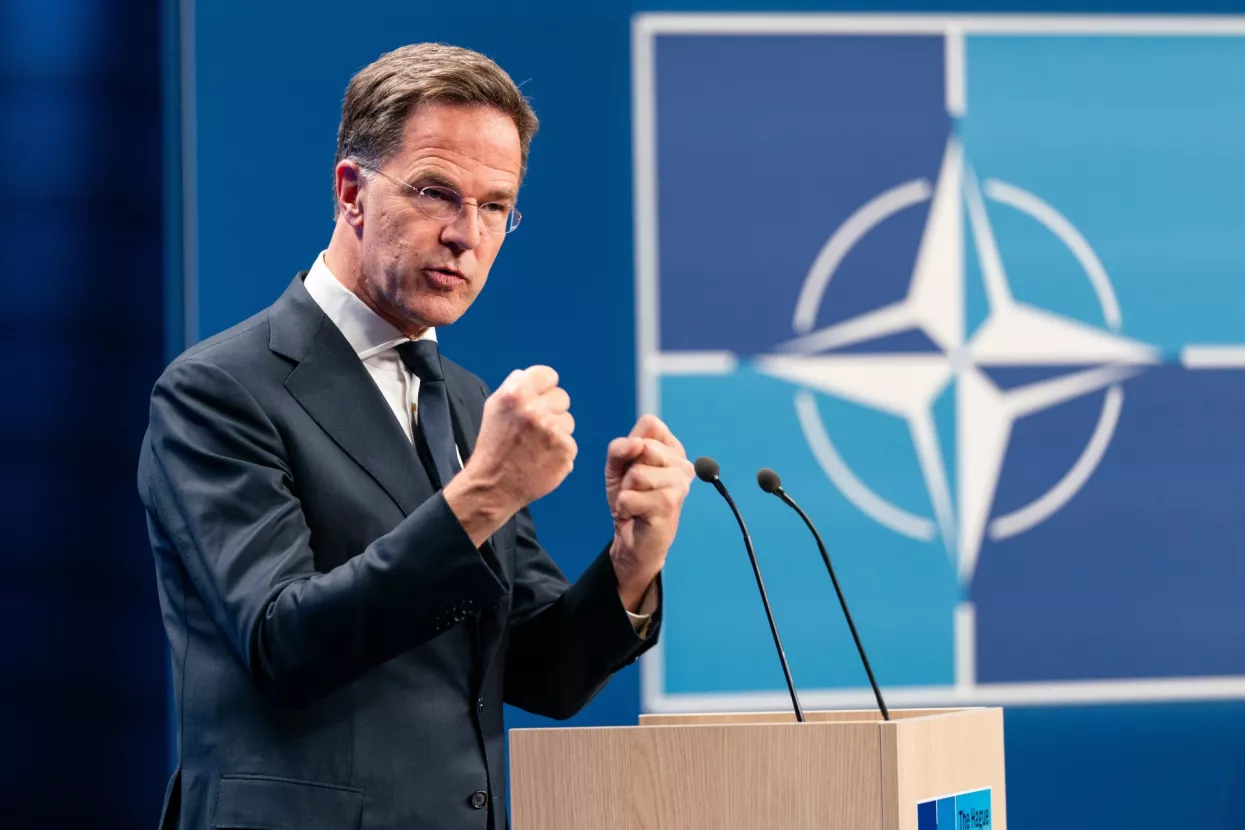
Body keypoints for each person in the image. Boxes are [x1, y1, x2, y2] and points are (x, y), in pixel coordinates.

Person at [137, 43, 694, 830]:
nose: (466, 234)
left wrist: (631, 565)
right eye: (436, 192)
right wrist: (485, 493)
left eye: (495, 206)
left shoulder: (465, 402)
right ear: (351, 192)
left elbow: (541, 673)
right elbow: (281, 642)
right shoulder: (219, 390)